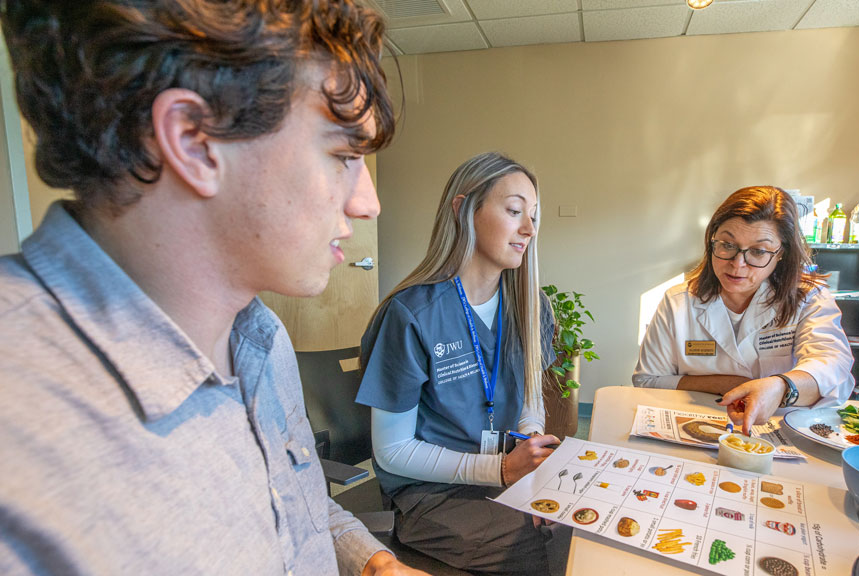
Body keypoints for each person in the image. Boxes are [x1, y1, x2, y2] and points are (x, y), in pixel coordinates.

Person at [0, 2, 427, 575]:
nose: (366, 202)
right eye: (343, 155)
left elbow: (290, 502)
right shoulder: (20, 426)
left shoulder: (261, 337)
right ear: (195, 142)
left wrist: (373, 560)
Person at [356, 152, 564, 576]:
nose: (529, 229)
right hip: (432, 496)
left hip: (503, 477)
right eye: (514, 211)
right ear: (463, 209)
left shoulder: (530, 305)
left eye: (534, 216)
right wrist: (501, 469)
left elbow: (528, 401)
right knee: (555, 544)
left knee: (581, 517)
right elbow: (392, 451)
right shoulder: (412, 314)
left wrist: (532, 453)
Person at [633, 186, 855, 434]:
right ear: (712, 241)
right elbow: (647, 380)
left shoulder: (809, 298)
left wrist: (780, 387)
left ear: (781, 253)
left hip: (779, 428)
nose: (737, 264)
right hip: (696, 424)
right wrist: (734, 384)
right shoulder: (678, 302)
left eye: (758, 251)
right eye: (727, 245)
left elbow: (833, 370)